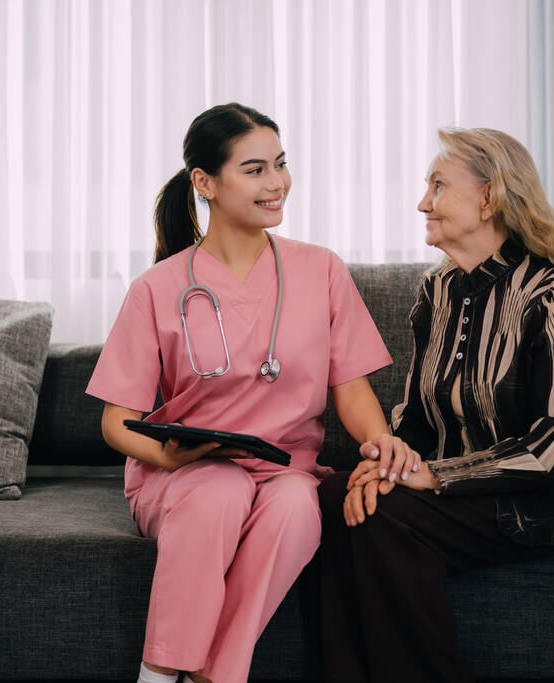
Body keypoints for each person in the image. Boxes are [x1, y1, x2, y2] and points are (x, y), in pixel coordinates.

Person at [85, 103, 406, 683]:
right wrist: (167, 456)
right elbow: (117, 421)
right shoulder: (157, 288)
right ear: (205, 183)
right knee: (219, 491)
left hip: (285, 469)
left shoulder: (321, 271)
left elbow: (351, 390)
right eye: (255, 169)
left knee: (296, 513)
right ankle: (158, 672)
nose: (277, 183)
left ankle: (214, 676)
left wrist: (380, 444)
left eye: (280, 165)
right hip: (182, 474)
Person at [317, 127, 554, 683]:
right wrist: (386, 467)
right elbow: (414, 416)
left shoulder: (550, 291)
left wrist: (432, 477)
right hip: (454, 491)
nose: (422, 202)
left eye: (437, 185)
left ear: (490, 196)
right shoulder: (437, 290)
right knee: (340, 492)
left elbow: (547, 446)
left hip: (531, 494)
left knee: (386, 519)